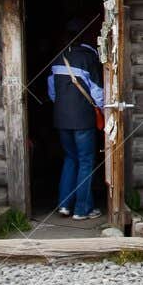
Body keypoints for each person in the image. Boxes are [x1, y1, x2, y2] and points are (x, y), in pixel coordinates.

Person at [47, 31, 105, 220]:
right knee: (86, 162)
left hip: (61, 119)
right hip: (83, 120)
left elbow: (52, 92)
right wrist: (106, 113)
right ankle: (82, 209)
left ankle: (64, 204)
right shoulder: (89, 58)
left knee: (70, 159)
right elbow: (98, 93)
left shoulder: (58, 58)